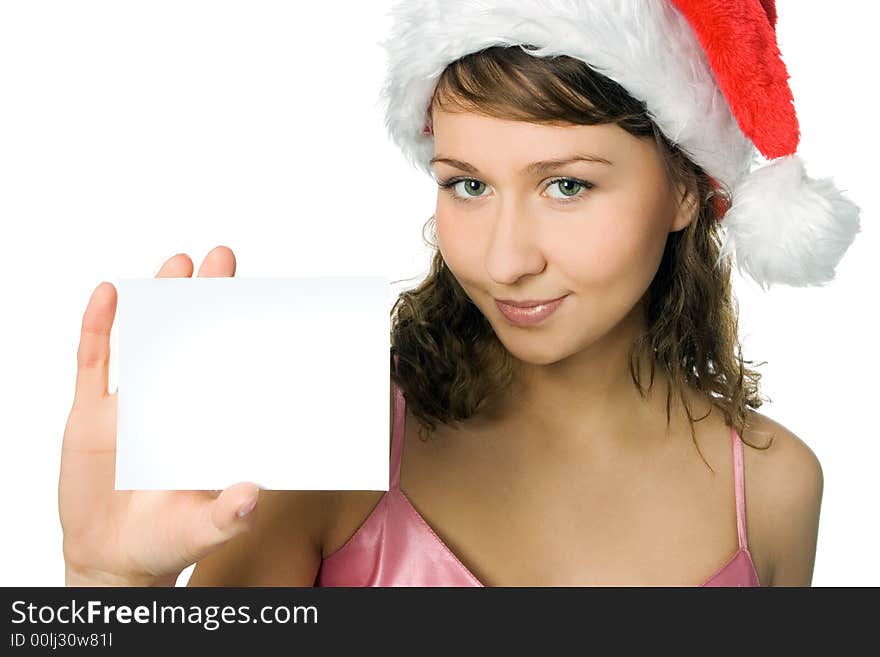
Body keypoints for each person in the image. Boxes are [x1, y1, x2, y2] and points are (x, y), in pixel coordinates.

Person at [60, 0, 860, 587]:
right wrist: (109, 586)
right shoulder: (332, 445)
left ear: (688, 188)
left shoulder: (778, 486)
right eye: (469, 184)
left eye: (568, 186)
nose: (505, 259)